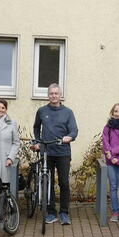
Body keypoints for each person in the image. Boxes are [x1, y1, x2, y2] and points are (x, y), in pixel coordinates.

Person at [32, 83, 78, 225]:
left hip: (63, 152)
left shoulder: (68, 112)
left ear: (60, 95)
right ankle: (51, 212)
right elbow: (36, 127)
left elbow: (74, 130)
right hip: (46, 152)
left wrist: (69, 137)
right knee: (48, 182)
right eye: (51, 93)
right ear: (48, 95)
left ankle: (64, 212)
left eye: (56, 93)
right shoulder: (41, 111)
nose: (53, 96)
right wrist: (38, 141)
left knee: (63, 182)